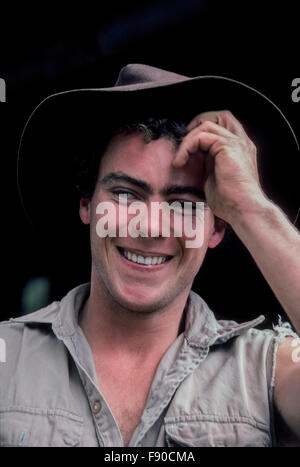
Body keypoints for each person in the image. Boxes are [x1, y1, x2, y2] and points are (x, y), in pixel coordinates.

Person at [1, 64, 300, 447]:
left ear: (218, 228)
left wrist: (250, 206)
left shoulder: (266, 370)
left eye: (183, 204)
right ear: (87, 206)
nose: (152, 226)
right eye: (126, 194)